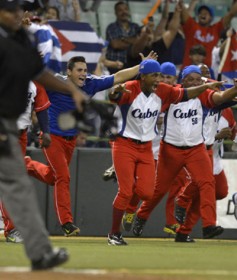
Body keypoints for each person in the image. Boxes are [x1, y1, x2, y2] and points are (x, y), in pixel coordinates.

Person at [25, 52, 158, 237]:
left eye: (85, 70)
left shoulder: (90, 84)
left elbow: (117, 76)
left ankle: (26, 164)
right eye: (79, 70)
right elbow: (34, 82)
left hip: (70, 141)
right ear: (68, 72)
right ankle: (66, 223)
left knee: (51, 176)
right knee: (63, 176)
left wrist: (142, 66)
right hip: (52, 138)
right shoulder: (56, 83)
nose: (83, 74)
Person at [0, 0, 85, 270]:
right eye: (12, 10)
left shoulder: (21, 40)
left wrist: (72, 90)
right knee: (16, 184)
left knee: (18, 185)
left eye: (22, 10)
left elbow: (38, 73)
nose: (20, 15)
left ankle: (37, 251)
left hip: (11, 127)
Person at [107, 60, 226, 246]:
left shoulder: (165, 92)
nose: (160, 79)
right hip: (143, 145)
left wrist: (207, 86)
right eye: (157, 75)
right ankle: (115, 232)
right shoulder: (131, 88)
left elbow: (200, 95)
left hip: (158, 147)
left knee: (148, 192)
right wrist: (114, 92)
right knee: (136, 190)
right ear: (143, 76)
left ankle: (199, 223)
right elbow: (114, 96)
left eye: (162, 76)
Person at [132, 65, 237, 242]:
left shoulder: (202, 94)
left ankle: (209, 225)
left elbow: (219, 97)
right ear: (183, 80)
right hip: (171, 149)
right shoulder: (173, 93)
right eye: (192, 79)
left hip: (196, 149)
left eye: (199, 80)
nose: (197, 82)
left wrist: (234, 89)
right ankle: (142, 216)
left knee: (207, 182)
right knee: (159, 190)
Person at [0, 81, 51, 243]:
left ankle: (12, 228)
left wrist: (46, 132)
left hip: (21, 135)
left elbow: (41, 109)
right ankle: (12, 228)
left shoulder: (35, 81)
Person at [180, 1, 237, 68]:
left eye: (206, 13)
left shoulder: (216, 29)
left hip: (207, 72)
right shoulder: (192, 27)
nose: (202, 15)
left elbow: (231, 14)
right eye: (200, 13)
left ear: (211, 17)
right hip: (188, 70)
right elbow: (182, 10)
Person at [105, 1, 141, 73]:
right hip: (116, 65)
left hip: (133, 65)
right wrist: (134, 43)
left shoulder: (135, 27)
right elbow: (116, 45)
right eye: (120, 10)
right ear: (116, 13)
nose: (124, 12)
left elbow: (140, 43)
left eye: (125, 9)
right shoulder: (111, 27)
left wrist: (123, 39)